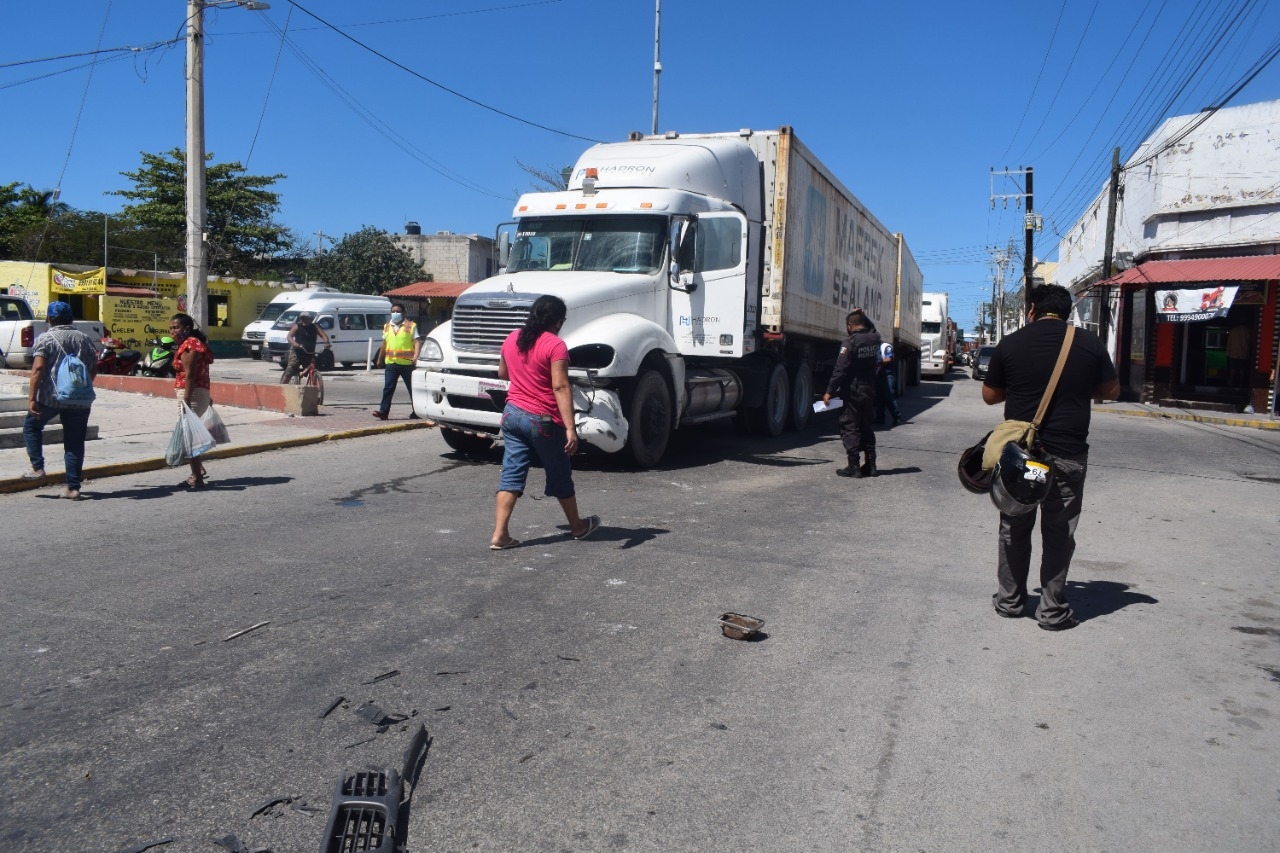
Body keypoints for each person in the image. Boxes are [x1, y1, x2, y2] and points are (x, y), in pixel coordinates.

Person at [982, 284, 1119, 631]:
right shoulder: (1089, 344)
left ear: (1032, 310)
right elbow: (1111, 390)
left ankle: (1011, 602)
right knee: (1059, 532)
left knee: (1014, 526)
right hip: (1069, 453)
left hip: (1021, 456)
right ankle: (1052, 611)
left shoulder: (1011, 344)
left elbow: (989, 395)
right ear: (1068, 312)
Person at [490, 295, 601, 550]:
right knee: (559, 472)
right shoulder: (555, 345)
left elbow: (502, 373)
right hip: (543, 420)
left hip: (512, 414)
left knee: (512, 473)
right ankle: (578, 526)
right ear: (559, 321)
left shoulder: (513, 337)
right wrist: (571, 428)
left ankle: (500, 534)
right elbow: (560, 386)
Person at [23, 301, 97, 500]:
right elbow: (93, 367)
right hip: (79, 400)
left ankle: (38, 467)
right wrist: (81, 389)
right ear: (71, 318)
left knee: (31, 426)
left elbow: (38, 369)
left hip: (50, 398)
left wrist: (32, 398)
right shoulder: (85, 339)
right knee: (74, 443)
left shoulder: (45, 339)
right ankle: (73, 488)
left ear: (50, 319)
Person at [821, 308, 882, 478]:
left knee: (850, 426)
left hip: (853, 391)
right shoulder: (874, 338)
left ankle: (854, 467)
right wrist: (864, 316)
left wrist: (829, 392)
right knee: (866, 425)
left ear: (850, 326)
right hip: (869, 389)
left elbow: (840, 370)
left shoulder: (850, 343)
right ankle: (871, 465)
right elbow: (870, 327)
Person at [171, 313, 216, 489]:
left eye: (176, 327)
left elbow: (190, 376)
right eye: (171, 328)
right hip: (199, 393)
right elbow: (202, 373)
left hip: (191, 395)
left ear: (187, 329)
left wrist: (186, 402)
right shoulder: (196, 343)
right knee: (190, 435)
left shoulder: (189, 345)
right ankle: (198, 470)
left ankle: (197, 477)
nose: (173, 331)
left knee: (188, 437)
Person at [372, 303, 422, 420]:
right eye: (393, 311)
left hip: (407, 363)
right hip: (391, 363)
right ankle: (383, 412)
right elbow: (384, 344)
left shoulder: (411, 326)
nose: (395, 313)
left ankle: (417, 412)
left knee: (412, 389)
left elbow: (417, 342)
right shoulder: (387, 326)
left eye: (398, 311)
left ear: (404, 313)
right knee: (388, 388)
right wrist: (379, 359)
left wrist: (416, 356)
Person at [280, 312, 330, 385]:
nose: (304, 320)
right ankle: (281, 387)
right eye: (302, 319)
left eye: (306, 319)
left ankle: (313, 387)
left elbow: (323, 335)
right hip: (297, 353)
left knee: (313, 368)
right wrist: (294, 343)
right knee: (290, 371)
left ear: (310, 319)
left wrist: (326, 343)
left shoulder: (315, 327)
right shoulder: (296, 326)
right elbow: (289, 336)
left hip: (309, 353)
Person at [874, 339, 903, 427]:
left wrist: (879, 363)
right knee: (879, 397)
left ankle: (897, 416)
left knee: (889, 396)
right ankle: (880, 418)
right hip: (879, 375)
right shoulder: (874, 348)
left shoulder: (886, 346)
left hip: (888, 375)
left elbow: (889, 358)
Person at [1226, 322, 1251, 390]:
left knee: (1232, 369)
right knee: (1242, 369)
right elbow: (1251, 341)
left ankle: (1231, 382)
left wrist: (1227, 352)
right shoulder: (1248, 331)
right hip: (1244, 353)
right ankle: (1241, 383)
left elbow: (1229, 342)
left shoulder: (1233, 330)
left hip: (1233, 352)